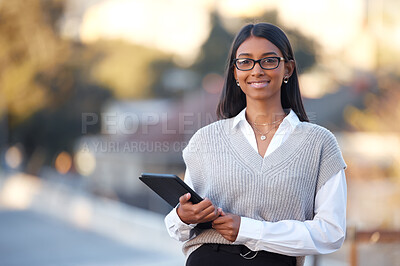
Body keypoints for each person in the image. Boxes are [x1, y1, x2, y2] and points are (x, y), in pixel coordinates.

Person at [165, 22, 347, 266]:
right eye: (245, 61)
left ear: (288, 69)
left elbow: (331, 234)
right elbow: (177, 227)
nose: (257, 70)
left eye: (269, 60)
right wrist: (183, 217)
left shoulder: (319, 143)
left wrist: (249, 230)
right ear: (235, 72)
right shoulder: (205, 140)